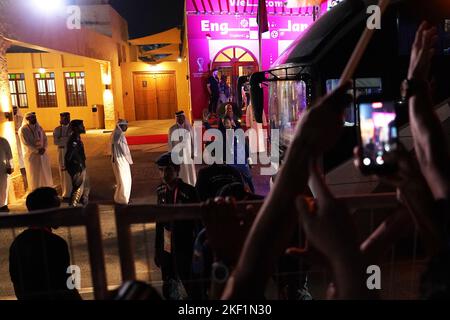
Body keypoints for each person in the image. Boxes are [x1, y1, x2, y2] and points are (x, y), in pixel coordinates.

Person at [9, 187, 82, 300]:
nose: (60, 214)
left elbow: (17, 283)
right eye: (56, 209)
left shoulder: (17, 242)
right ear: (46, 213)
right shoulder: (56, 244)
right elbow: (66, 285)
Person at [154, 152, 200, 300]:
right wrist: (157, 249)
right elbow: (159, 224)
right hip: (167, 248)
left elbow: (198, 223)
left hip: (185, 246)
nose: (163, 174)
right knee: (169, 286)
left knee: (190, 285)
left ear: (177, 171)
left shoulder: (189, 192)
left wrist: (198, 250)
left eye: (167, 170)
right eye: (160, 170)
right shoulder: (161, 191)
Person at [18, 112, 53, 191]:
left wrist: (44, 148)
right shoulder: (23, 130)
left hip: (43, 155)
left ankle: (47, 189)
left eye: (34, 117)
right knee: (35, 174)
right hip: (32, 156)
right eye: (32, 117)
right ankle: (36, 191)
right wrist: (37, 151)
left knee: (45, 172)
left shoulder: (39, 127)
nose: (34, 119)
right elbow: (26, 143)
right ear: (27, 119)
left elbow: (45, 139)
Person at [168, 111, 197, 186]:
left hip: (188, 154)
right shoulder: (172, 129)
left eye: (181, 117)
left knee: (189, 171)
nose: (180, 119)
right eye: (178, 118)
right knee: (180, 171)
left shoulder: (189, 128)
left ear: (184, 117)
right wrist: (171, 155)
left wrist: (194, 153)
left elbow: (193, 141)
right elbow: (170, 144)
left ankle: (191, 184)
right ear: (176, 119)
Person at [65, 120, 89, 207]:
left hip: (80, 165)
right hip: (77, 167)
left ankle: (82, 204)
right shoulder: (74, 139)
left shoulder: (77, 137)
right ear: (75, 128)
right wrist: (77, 165)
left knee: (84, 187)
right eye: (81, 126)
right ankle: (72, 207)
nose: (83, 127)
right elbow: (69, 155)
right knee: (77, 189)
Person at [111, 119, 133, 205]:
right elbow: (125, 150)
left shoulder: (114, 133)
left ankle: (118, 198)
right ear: (121, 126)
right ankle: (124, 199)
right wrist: (130, 161)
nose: (126, 127)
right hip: (121, 159)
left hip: (115, 159)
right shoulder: (120, 135)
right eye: (125, 126)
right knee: (126, 179)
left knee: (120, 180)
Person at [53, 112, 72, 200]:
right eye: (64, 118)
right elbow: (56, 142)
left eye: (68, 118)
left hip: (71, 152)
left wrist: (62, 139)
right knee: (63, 172)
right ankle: (66, 192)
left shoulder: (73, 129)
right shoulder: (57, 129)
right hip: (61, 152)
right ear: (61, 119)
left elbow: (74, 140)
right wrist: (67, 139)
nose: (66, 120)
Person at [13, 106, 27, 191]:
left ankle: (23, 166)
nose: (14, 111)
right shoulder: (10, 118)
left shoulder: (21, 118)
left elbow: (22, 129)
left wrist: (17, 131)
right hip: (13, 137)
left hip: (19, 138)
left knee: (21, 152)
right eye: (13, 109)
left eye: (15, 109)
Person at [0, 137, 13, 212]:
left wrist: (10, 166)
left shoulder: (3, 141)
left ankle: (3, 205)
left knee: (3, 187)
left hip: (2, 168)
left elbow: (9, 155)